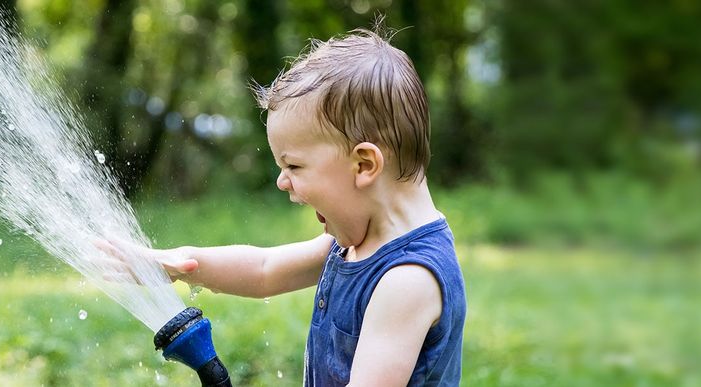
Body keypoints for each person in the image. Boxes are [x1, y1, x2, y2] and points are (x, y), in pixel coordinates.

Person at [98, 26, 466, 387]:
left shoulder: (407, 281)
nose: (282, 180)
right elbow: (264, 270)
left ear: (364, 165)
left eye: (293, 165)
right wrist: (176, 263)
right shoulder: (355, 244)